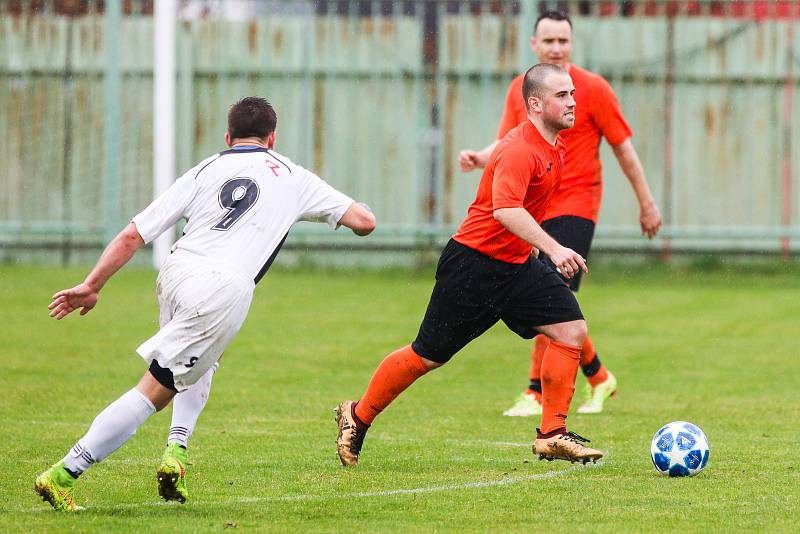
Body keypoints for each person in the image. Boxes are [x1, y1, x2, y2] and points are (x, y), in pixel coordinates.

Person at [34, 97, 376, 512]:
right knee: (153, 391)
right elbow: (364, 222)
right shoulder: (292, 176)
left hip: (177, 272)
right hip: (221, 289)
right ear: (273, 137)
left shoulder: (205, 168)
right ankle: (63, 473)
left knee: (202, 362)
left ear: (228, 137)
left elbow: (133, 234)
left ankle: (176, 453)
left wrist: (92, 285)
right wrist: (361, 210)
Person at [336, 63, 603, 469]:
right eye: (561, 95)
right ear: (535, 103)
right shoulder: (520, 148)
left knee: (571, 330)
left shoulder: (555, 146)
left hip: (516, 266)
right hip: (473, 266)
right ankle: (357, 416)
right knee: (427, 356)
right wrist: (552, 248)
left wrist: (533, 252)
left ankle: (552, 434)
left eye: (572, 93)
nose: (573, 102)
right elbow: (505, 209)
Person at [459, 11, 662, 417]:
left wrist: (647, 202)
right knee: (550, 295)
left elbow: (623, 148)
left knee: (550, 291)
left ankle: (536, 392)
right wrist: (481, 157)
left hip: (577, 204)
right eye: (548, 41)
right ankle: (599, 377)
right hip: (532, 208)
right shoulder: (524, 87)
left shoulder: (592, 89)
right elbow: (505, 141)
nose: (556, 48)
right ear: (534, 44)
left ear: (572, 44)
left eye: (563, 41)